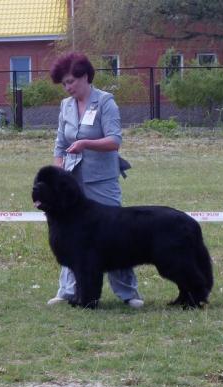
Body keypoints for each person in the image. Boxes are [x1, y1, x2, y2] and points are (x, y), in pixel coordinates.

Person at [47, 52, 144, 309]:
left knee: (115, 235)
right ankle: (68, 291)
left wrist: (85, 143)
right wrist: (58, 175)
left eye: (71, 81)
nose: (67, 88)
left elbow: (114, 141)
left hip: (102, 180)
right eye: (64, 84)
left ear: (86, 76)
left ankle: (128, 293)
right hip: (73, 183)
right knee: (70, 237)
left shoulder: (105, 102)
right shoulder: (65, 106)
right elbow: (60, 144)